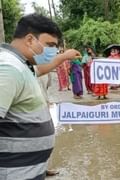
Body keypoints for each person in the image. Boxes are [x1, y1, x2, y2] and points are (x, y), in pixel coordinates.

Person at [0, 13, 80, 180]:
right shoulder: (8, 69)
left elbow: (41, 69)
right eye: (50, 45)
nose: (53, 51)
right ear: (30, 40)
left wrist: (64, 56)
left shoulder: (22, 64)